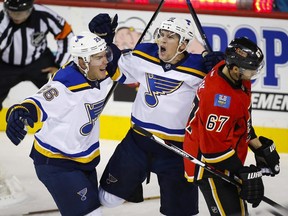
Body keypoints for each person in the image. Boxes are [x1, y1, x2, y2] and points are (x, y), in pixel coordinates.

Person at [89, 14, 224, 215]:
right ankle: (133, 181)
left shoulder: (200, 68)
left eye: (170, 37)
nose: (162, 40)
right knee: (107, 200)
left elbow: (227, 95)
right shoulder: (145, 54)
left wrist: (222, 71)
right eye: (161, 34)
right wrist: (104, 40)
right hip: (138, 142)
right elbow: (114, 68)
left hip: (178, 151)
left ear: (184, 43)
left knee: (180, 213)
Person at [5, 31, 115, 216]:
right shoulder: (66, 83)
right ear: (82, 62)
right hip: (57, 162)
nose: (105, 61)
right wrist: (20, 111)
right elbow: (38, 102)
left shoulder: (99, 73)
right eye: (98, 57)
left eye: (106, 55)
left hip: (83, 160)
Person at [183, 37, 280, 215]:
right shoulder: (218, 99)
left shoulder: (236, 76)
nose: (253, 74)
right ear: (235, 68)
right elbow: (212, 151)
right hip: (207, 166)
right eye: (251, 70)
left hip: (225, 156)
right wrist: (242, 171)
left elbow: (242, 120)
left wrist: (259, 147)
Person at [0, 0, 74, 111]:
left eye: (22, 13)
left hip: (39, 63)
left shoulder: (43, 15)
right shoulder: (2, 21)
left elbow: (66, 34)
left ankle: (66, 125)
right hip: (6, 65)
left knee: (62, 93)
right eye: (13, 12)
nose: (17, 17)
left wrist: (60, 67)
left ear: (31, 9)